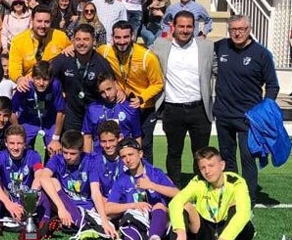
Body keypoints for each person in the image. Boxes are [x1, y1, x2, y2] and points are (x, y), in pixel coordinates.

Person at [213, 15, 279, 205]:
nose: (237, 32)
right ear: (229, 30)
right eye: (233, 29)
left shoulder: (261, 54)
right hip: (223, 115)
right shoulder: (221, 47)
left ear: (249, 29)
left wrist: (264, 110)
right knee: (227, 158)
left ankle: (248, 198)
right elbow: (199, 48)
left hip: (248, 119)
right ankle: (231, 195)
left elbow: (273, 85)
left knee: (248, 159)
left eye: (242, 28)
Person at [152, 11, 216, 186]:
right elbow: (143, 62)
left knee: (201, 153)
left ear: (194, 28)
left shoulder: (206, 47)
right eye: (181, 26)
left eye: (189, 26)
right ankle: (175, 191)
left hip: (200, 109)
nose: (185, 30)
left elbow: (220, 70)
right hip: (173, 109)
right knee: (174, 153)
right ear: (173, 26)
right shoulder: (160, 45)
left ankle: (202, 189)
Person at [166, 147, 255, 240]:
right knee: (185, 206)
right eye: (203, 167)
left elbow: (243, 214)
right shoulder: (198, 182)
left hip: (228, 232)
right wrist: (181, 234)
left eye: (211, 165)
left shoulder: (236, 182)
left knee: (236, 209)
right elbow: (175, 202)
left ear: (222, 165)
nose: (207, 171)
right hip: (206, 230)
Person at [98, 20, 164, 163]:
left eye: (126, 37)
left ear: (133, 36)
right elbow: (87, 50)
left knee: (144, 146)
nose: (122, 41)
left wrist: (141, 98)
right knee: (122, 143)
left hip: (144, 107)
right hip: (123, 105)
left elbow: (158, 83)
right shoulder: (105, 51)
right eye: (118, 37)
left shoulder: (147, 57)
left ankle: (146, 180)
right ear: (112, 37)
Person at [106, 138, 178, 240]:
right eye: (123, 157)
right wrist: (134, 205)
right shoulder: (122, 179)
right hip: (138, 219)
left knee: (159, 205)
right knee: (130, 214)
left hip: (159, 218)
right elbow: (108, 209)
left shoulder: (155, 173)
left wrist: (152, 185)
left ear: (140, 154)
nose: (128, 160)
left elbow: (177, 193)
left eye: (131, 154)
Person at [0, 125, 40, 237]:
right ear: (6, 143)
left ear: (25, 143)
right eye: (12, 143)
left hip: (26, 202)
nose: (15, 147)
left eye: (19, 143)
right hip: (8, 201)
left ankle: (43, 225)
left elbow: (40, 177)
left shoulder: (33, 156)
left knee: (44, 187)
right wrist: (8, 204)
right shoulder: (0, 156)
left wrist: (30, 199)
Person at [8, 6, 70, 88]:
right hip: (30, 84)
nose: (43, 25)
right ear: (32, 20)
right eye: (39, 21)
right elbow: (14, 68)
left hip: (54, 84)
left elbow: (74, 49)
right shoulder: (18, 41)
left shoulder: (60, 36)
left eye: (47, 22)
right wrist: (19, 79)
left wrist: (72, 47)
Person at [11, 60, 64, 153]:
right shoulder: (25, 86)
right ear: (32, 77)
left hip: (49, 121)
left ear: (51, 78)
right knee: (20, 146)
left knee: (55, 150)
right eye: (38, 78)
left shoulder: (56, 85)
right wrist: (17, 130)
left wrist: (55, 138)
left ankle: (51, 166)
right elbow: (11, 110)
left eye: (45, 79)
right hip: (29, 121)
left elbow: (61, 112)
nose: (41, 83)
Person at [82, 72, 141, 152]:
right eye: (102, 92)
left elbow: (137, 136)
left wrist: (136, 157)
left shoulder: (130, 108)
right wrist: (88, 160)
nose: (107, 94)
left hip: (123, 157)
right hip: (100, 156)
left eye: (109, 89)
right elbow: (87, 136)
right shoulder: (92, 109)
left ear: (116, 84)